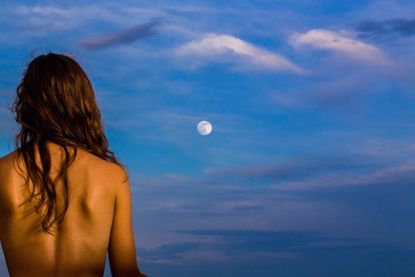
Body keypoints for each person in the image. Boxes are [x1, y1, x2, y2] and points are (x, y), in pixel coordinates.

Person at [0, 53, 147, 276]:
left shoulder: (3, 173)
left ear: (28, 104)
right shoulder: (112, 177)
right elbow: (126, 273)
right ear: (81, 103)